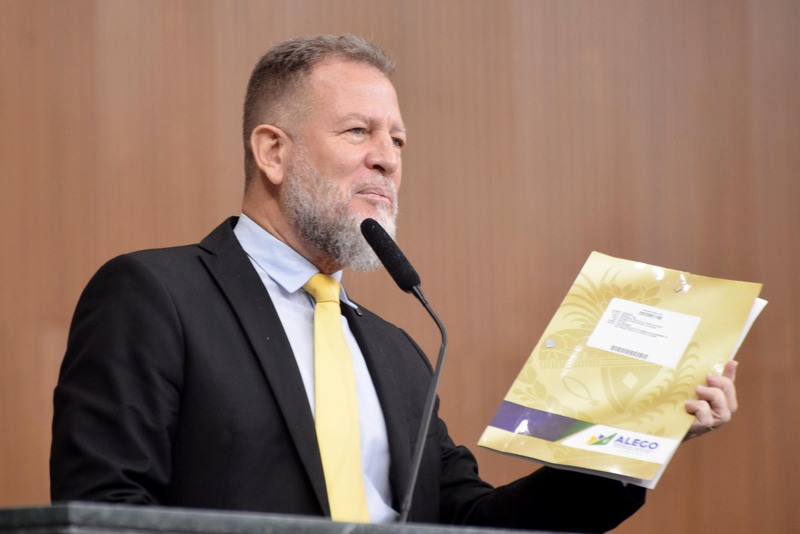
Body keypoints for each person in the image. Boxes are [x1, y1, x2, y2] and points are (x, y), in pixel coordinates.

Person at [50, 35, 738, 532]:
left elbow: (472, 522)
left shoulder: (400, 353)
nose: (386, 159)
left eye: (398, 141)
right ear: (273, 151)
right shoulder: (154, 295)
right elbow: (106, 511)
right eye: (358, 132)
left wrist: (632, 436)